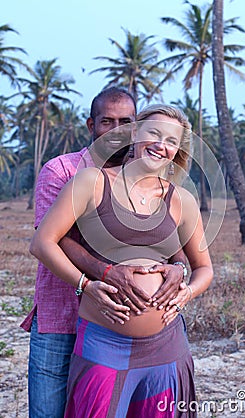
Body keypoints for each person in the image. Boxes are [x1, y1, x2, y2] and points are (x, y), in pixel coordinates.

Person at [30, 104, 213, 418]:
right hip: (103, 342)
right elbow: (43, 243)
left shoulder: (182, 199)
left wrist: (187, 291)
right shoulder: (90, 182)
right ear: (135, 133)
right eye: (153, 133)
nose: (161, 144)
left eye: (171, 140)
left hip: (167, 347)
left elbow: (204, 268)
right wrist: (86, 284)